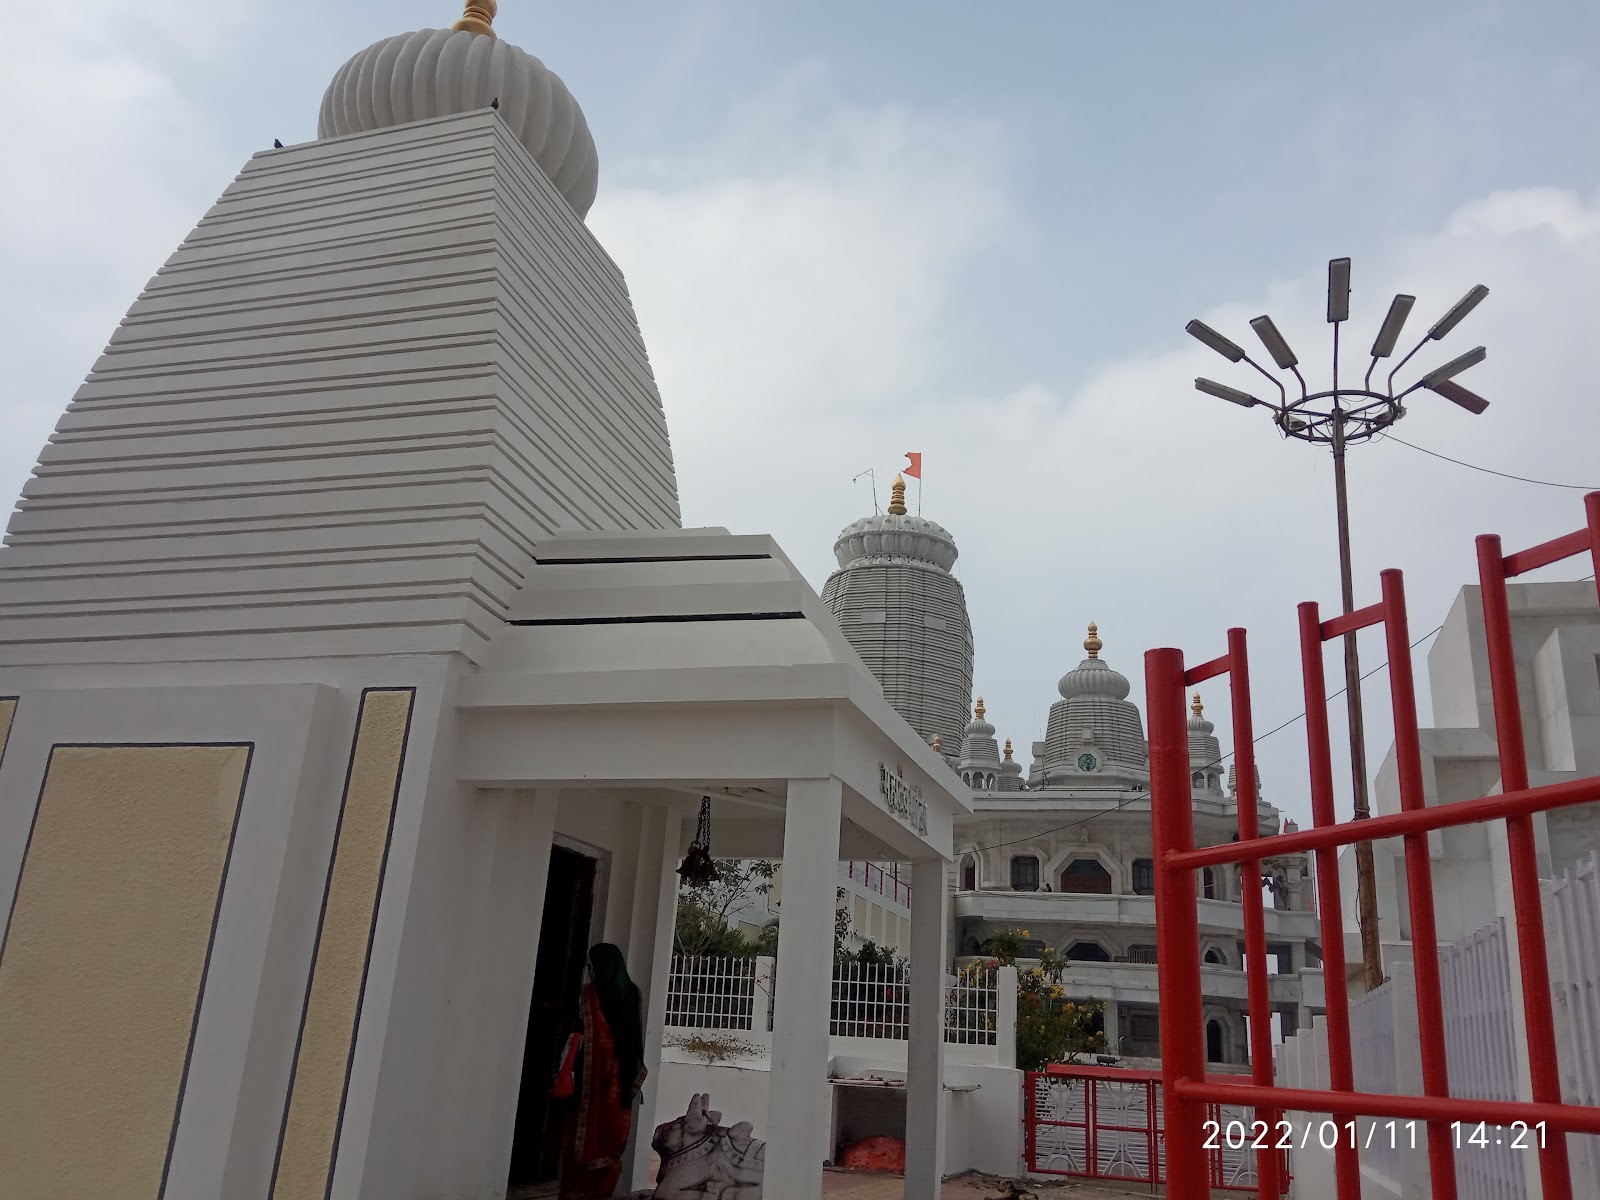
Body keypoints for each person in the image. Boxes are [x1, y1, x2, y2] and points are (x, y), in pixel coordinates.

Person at [553, 943, 646, 1200]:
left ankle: (577, 1194)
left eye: (591, 966)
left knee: (578, 1141)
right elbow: (634, 1042)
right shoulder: (631, 993)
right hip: (620, 1080)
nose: (590, 971)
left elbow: (576, 1034)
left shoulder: (587, 995)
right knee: (610, 1139)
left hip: (587, 1082)